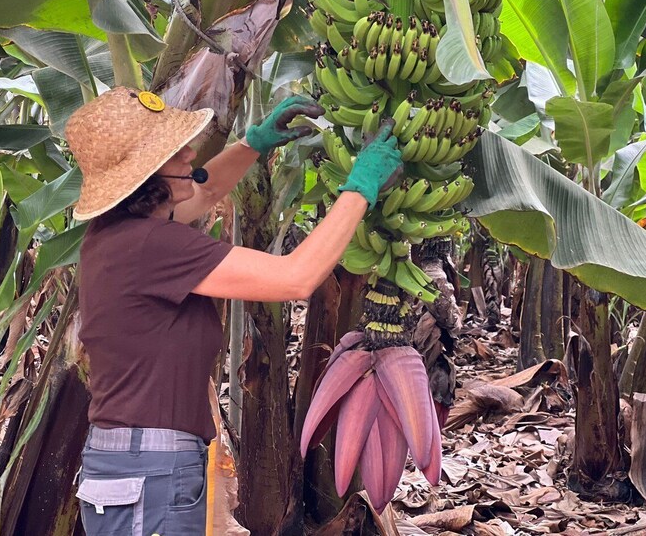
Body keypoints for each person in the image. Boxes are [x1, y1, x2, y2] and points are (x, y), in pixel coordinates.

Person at [65, 86, 402, 536]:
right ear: (145, 177)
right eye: (171, 152)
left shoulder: (113, 236)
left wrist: (252, 145)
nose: (189, 153)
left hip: (131, 464)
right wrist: (360, 187)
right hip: (152, 472)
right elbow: (296, 278)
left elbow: (202, 192)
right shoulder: (155, 246)